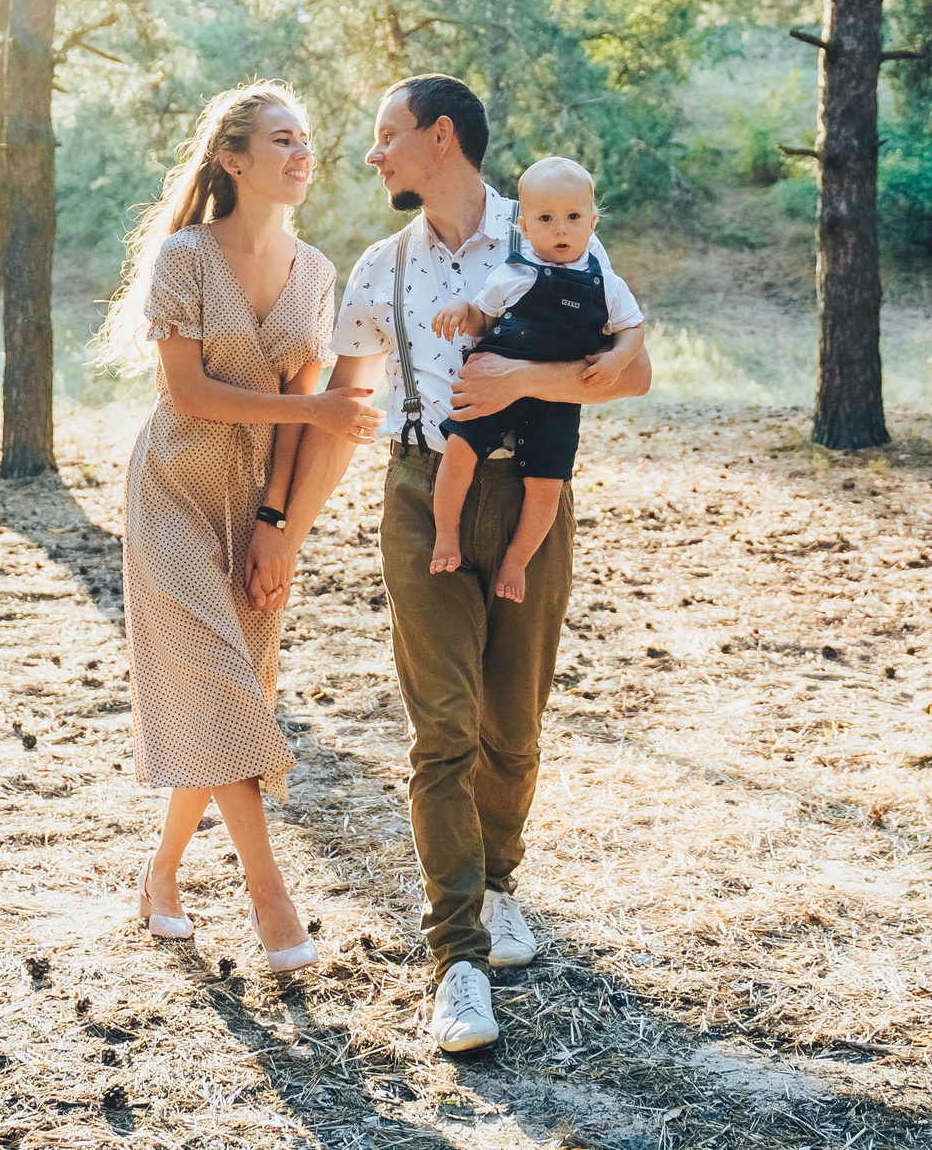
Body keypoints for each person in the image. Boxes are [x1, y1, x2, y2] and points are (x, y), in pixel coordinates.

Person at [262, 76, 654, 1053]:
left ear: (441, 139)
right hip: (416, 494)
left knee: (510, 730)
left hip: (530, 493)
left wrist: (524, 376)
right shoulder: (377, 271)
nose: (372, 154)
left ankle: (502, 881)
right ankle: (457, 957)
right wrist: (281, 525)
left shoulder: (552, 238)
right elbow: (345, 412)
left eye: (386, 135)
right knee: (440, 735)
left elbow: (632, 370)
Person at [90, 82, 380, 975]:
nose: (302, 156)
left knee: (227, 694)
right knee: (221, 682)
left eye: (307, 141)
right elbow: (192, 394)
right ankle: (271, 899)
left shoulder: (319, 272)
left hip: (255, 500)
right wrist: (324, 407)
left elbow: (303, 420)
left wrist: (277, 525)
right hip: (173, 488)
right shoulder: (186, 255)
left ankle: (161, 873)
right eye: (282, 140)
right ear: (233, 159)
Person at [426, 157, 645, 600]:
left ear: (592, 222)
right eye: (546, 219)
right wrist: (459, 311)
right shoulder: (512, 273)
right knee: (459, 451)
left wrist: (618, 360)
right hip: (491, 384)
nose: (561, 229)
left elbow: (632, 329)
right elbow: (482, 319)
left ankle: (517, 560)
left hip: (557, 398)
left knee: (547, 483)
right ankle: (446, 535)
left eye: (573, 218)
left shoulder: (607, 282)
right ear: (525, 227)